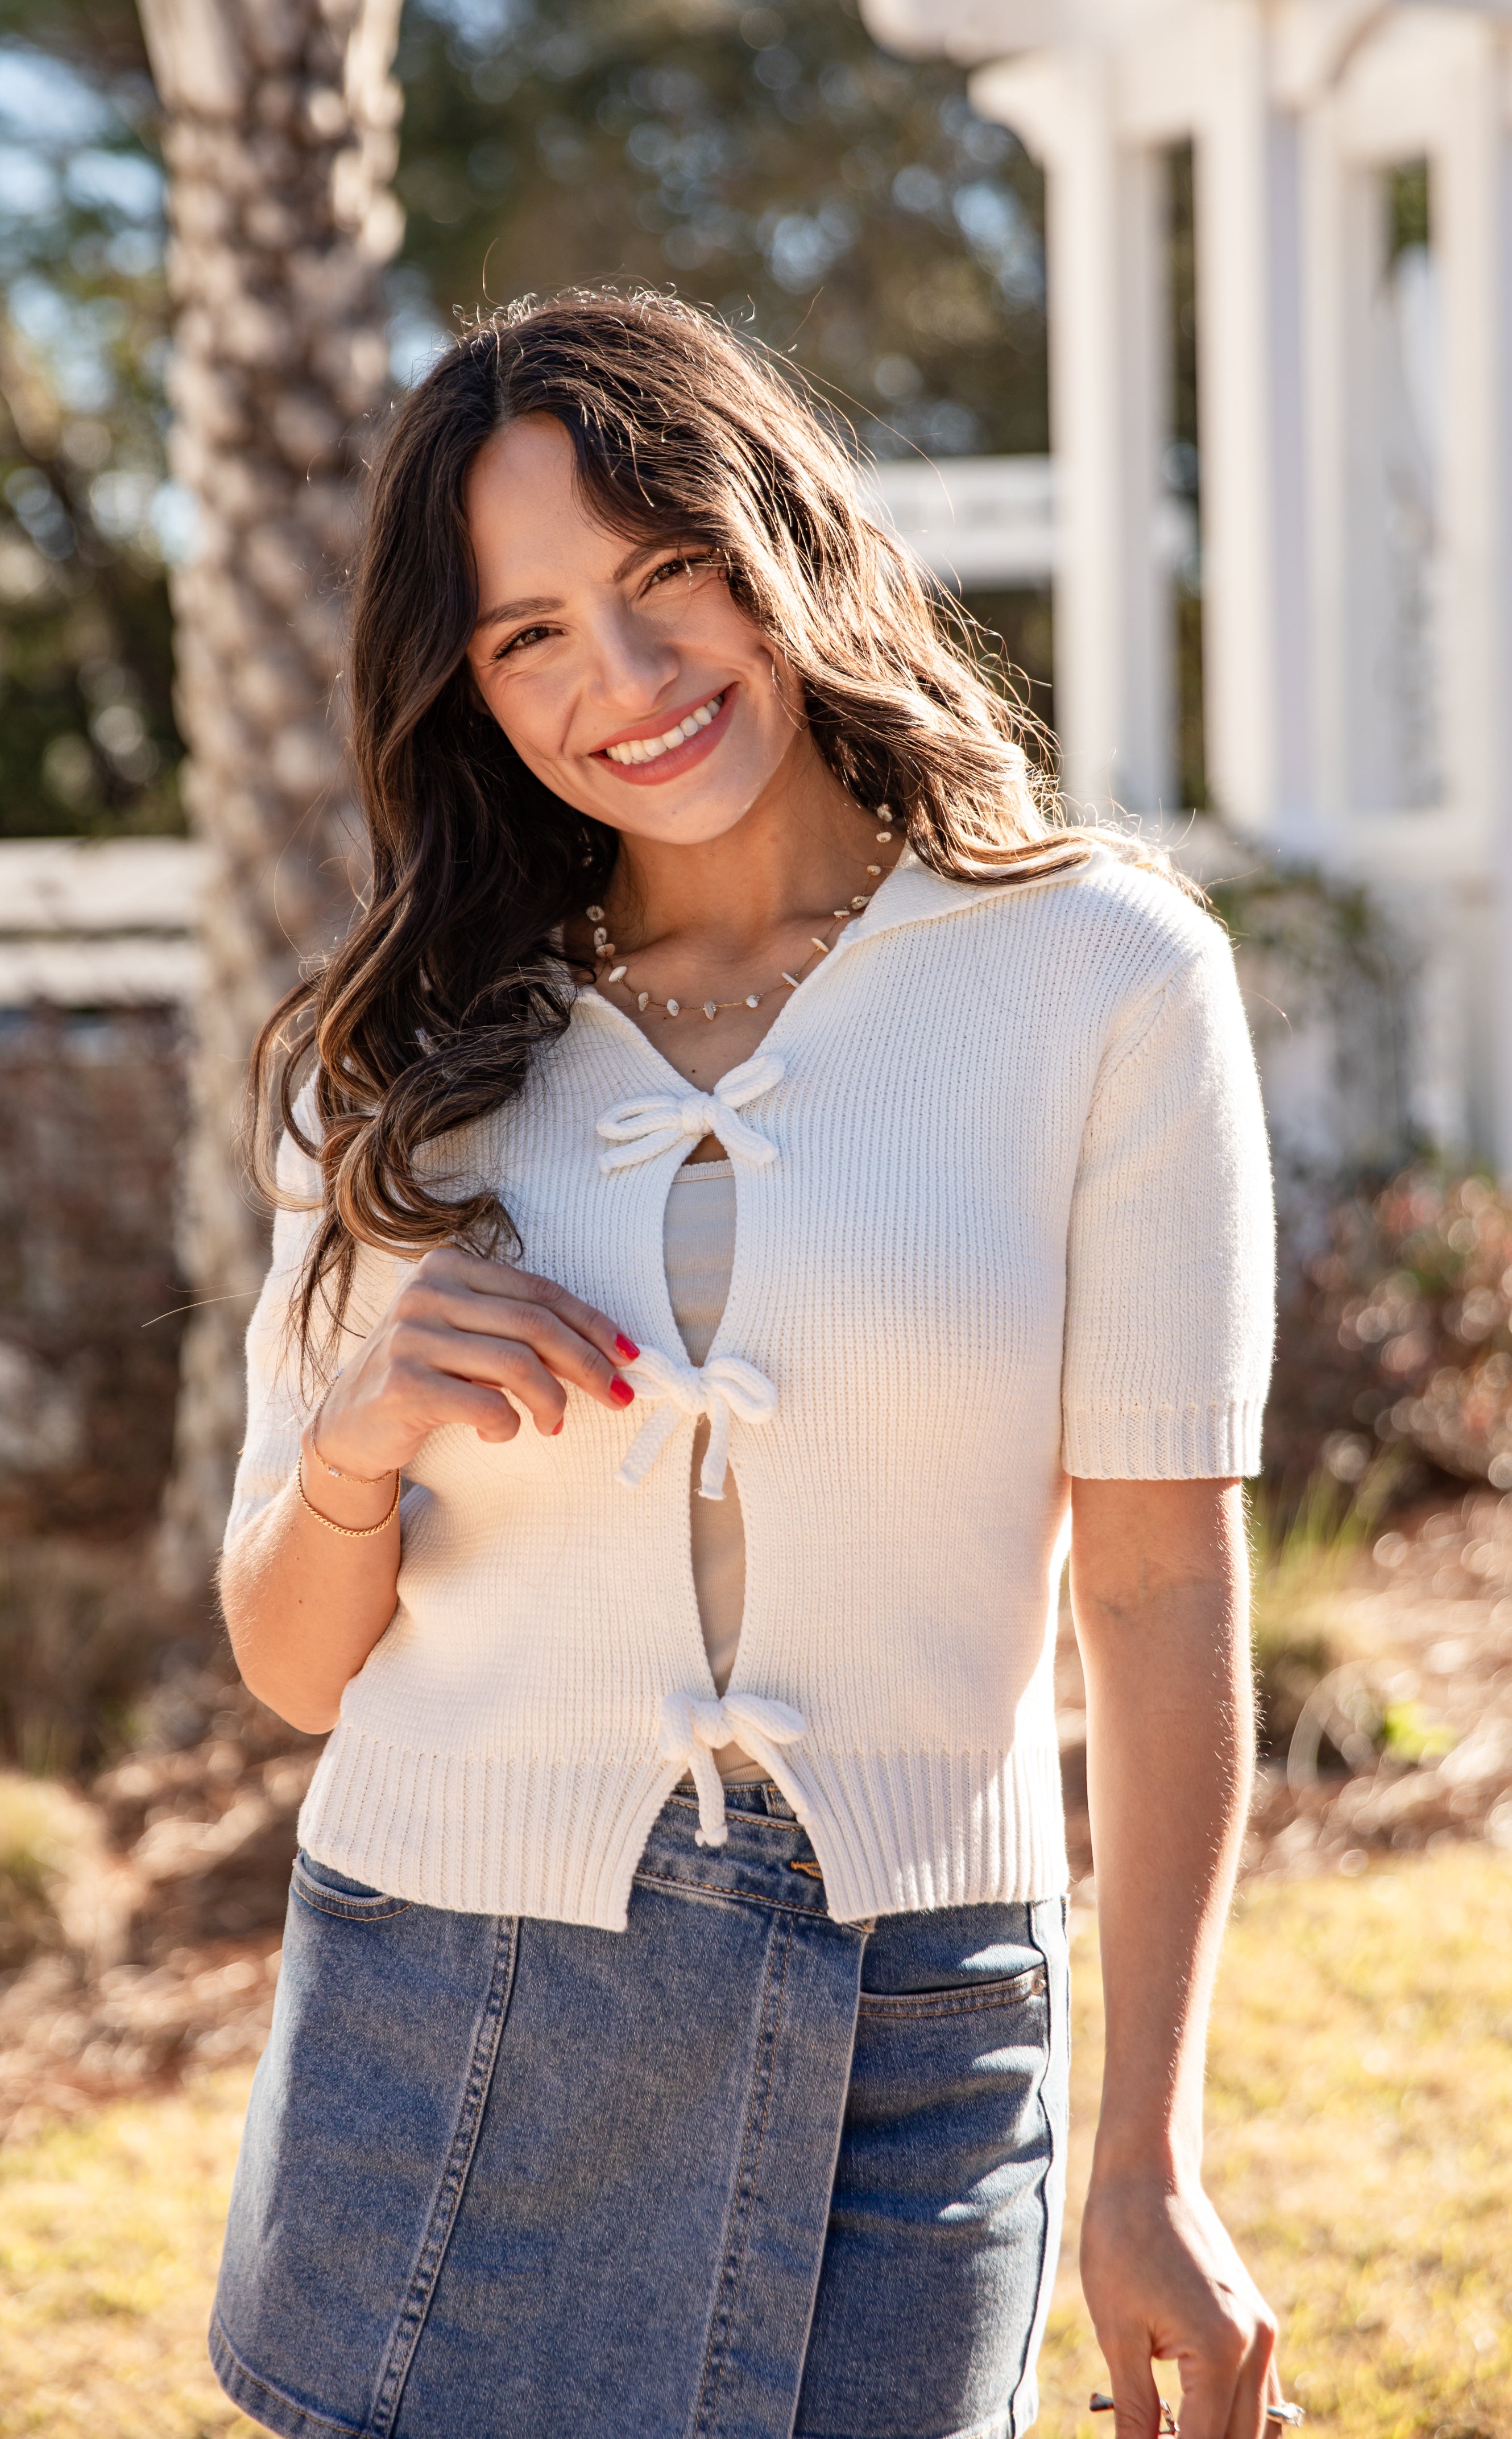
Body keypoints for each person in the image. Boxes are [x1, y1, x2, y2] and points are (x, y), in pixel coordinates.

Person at [211, 290, 1282, 2439]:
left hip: (925, 2007)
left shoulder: (1100, 977)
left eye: (661, 574)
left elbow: (1157, 1596)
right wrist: (361, 1439)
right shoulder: (406, 1053)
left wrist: (1149, 2151)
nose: (620, 682)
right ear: (464, 688)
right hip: (457, 1999)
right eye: (524, 636)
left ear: (777, 537)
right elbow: (289, 1660)